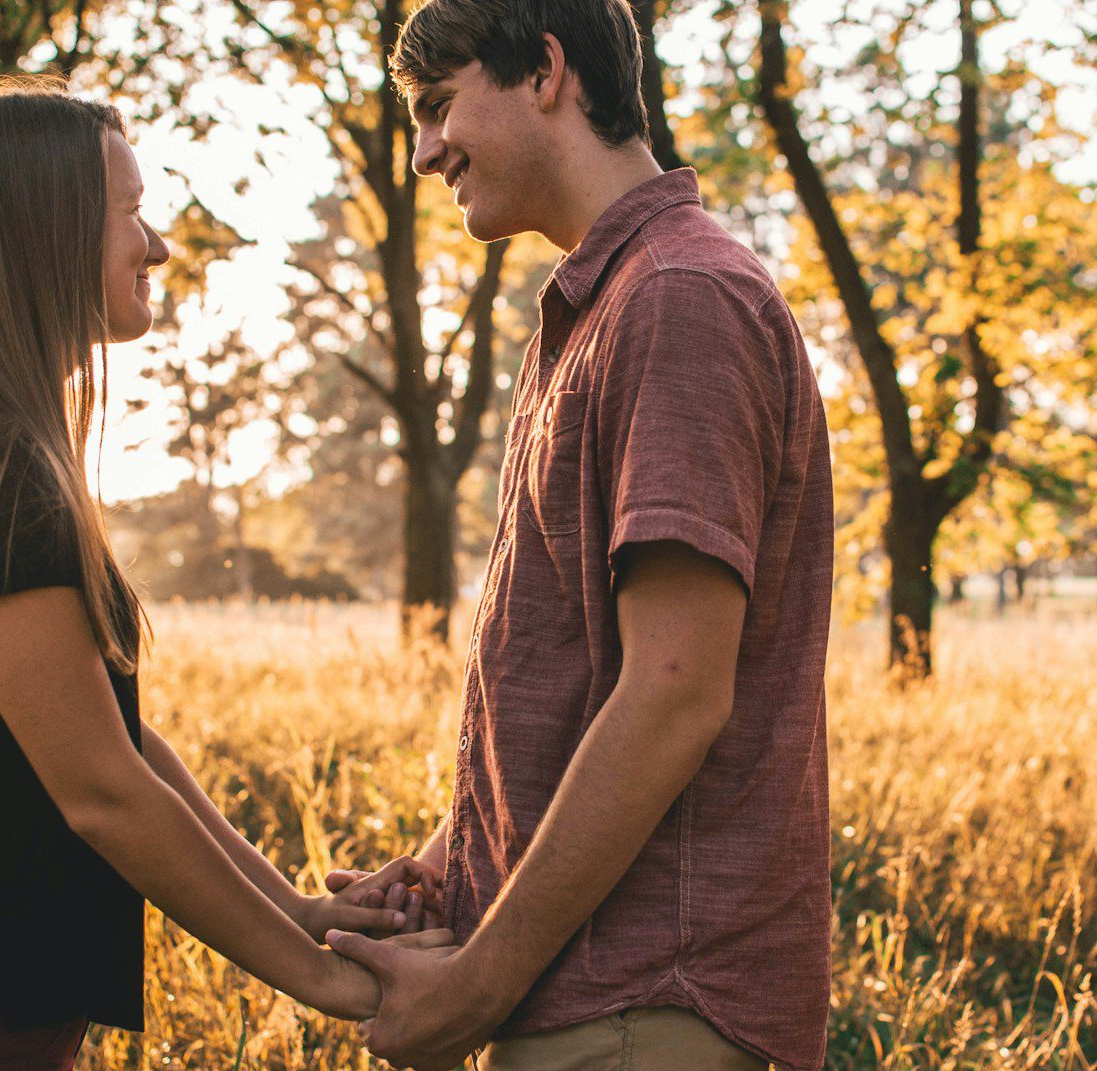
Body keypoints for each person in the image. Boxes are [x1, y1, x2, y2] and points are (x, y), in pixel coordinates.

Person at [0, 79, 446, 1071]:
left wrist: (303, 912)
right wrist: (332, 988)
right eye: (130, 212)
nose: (159, 245)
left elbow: (118, 743)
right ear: (39, 235)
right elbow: (100, 793)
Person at [323, 2, 837, 1069]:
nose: (423, 154)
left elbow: (675, 691)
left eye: (436, 106)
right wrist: (451, 862)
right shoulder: (602, 310)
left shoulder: (679, 300)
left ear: (546, 70)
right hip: (599, 1002)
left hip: (648, 1006)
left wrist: (472, 988)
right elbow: (589, 685)